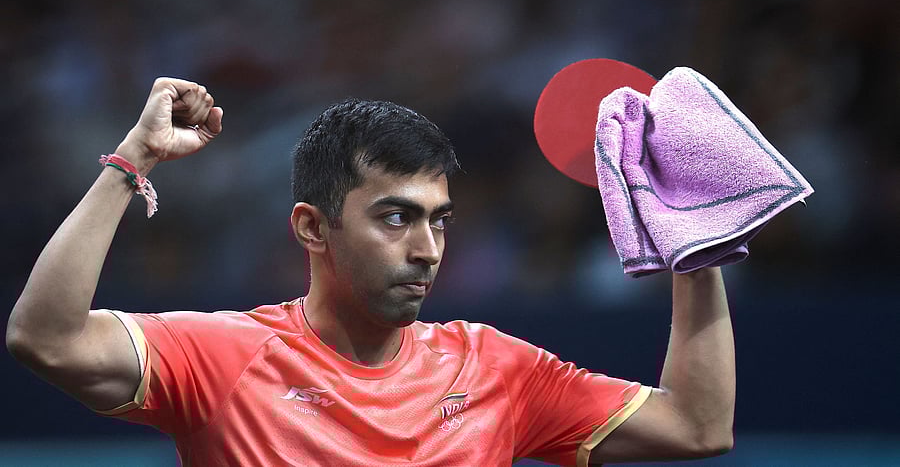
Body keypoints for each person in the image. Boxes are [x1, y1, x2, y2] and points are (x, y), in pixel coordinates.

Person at [6, 78, 735, 466]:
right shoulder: (222, 358)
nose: (428, 248)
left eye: (438, 219)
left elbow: (697, 427)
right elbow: (47, 338)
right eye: (395, 218)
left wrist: (695, 252)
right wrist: (133, 161)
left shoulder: (496, 372)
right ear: (312, 228)